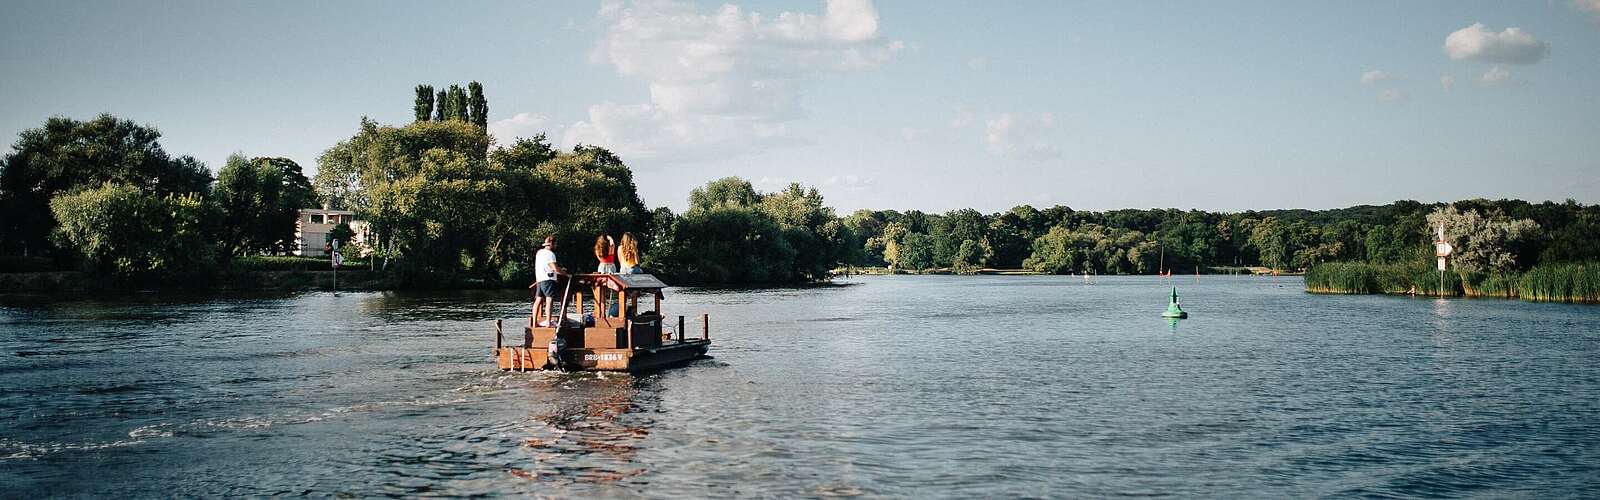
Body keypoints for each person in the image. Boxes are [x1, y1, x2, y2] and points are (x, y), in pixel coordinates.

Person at [530, 235, 565, 328]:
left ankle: (534, 323)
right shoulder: (550, 254)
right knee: (549, 300)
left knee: (538, 300)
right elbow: (554, 268)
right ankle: (548, 323)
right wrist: (565, 274)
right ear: (551, 244)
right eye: (555, 244)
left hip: (540, 279)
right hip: (548, 279)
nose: (555, 246)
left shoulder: (539, 252)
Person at [593, 234, 618, 318]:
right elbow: (613, 244)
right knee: (613, 288)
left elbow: (600, 259)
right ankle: (612, 309)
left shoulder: (597, 250)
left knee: (601, 289)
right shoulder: (610, 248)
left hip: (602, 266)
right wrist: (610, 237)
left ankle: (601, 313)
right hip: (611, 266)